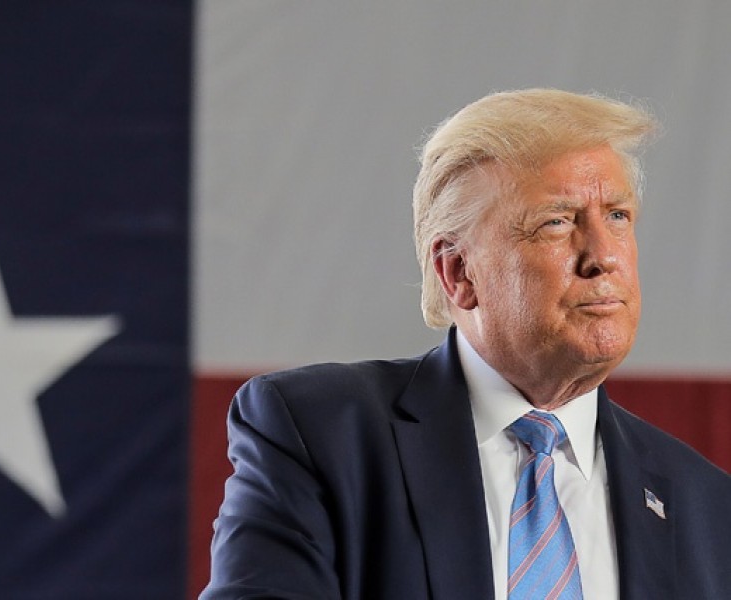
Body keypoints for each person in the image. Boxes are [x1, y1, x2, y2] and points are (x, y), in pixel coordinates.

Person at [200, 89, 731, 600]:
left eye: (617, 216)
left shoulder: (706, 505)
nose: (603, 256)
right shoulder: (320, 435)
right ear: (458, 273)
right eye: (556, 222)